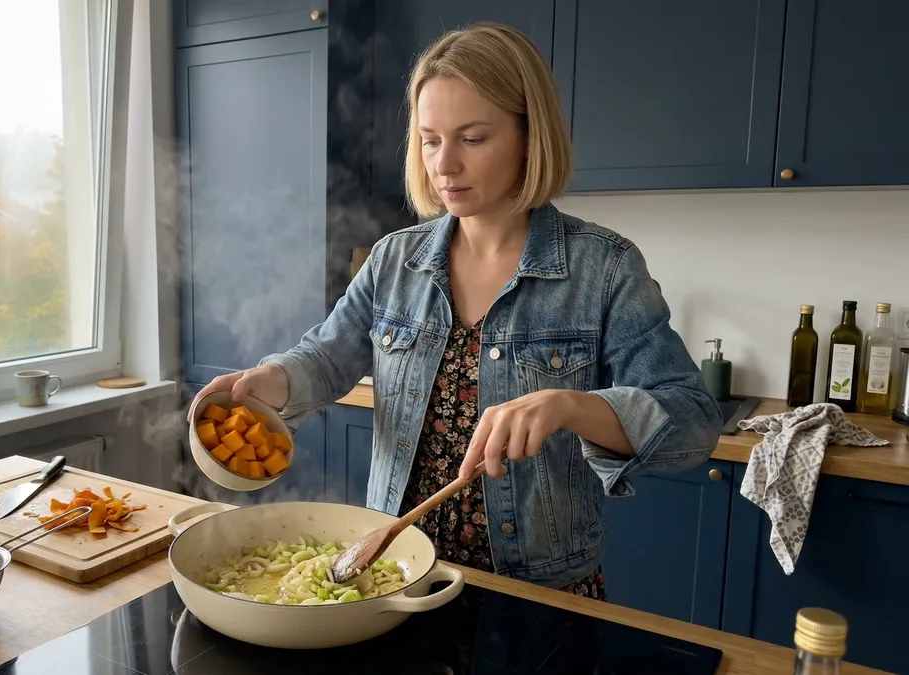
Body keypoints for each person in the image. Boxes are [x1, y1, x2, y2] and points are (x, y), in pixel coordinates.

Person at [187, 22, 722, 599]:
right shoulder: (395, 259)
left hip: (538, 592)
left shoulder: (605, 268)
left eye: (472, 138)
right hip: (393, 577)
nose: (445, 165)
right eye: (429, 139)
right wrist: (272, 379)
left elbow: (692, 425)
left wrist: (572, 405)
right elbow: (326, 356)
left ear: (527, 136)